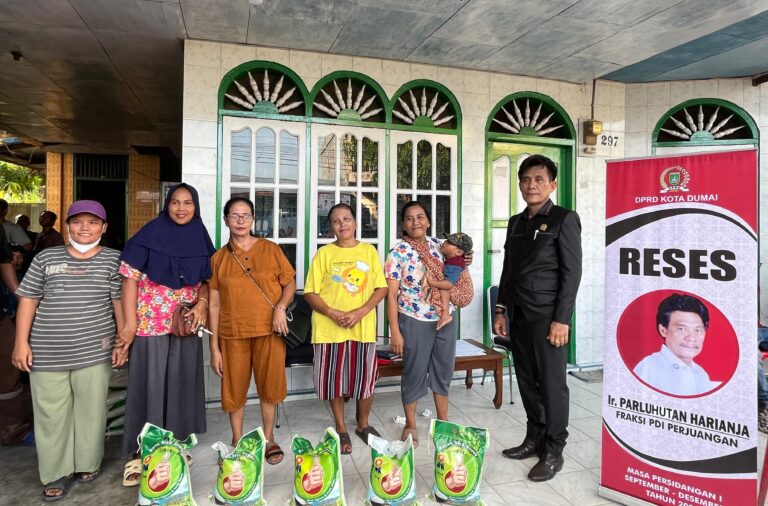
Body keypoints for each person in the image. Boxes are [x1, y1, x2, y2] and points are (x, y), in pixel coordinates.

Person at [11, 200, 124, 501]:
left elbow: (118, 303)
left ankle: (88, 463)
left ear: (104, 228)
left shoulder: (114, 260)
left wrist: (123, 342)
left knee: (91, 410)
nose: (84, 228)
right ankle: (55, 471)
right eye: (77, 221)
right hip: (47, 351)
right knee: (50, 415)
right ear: (67, 225)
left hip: (94, 350)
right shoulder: (46, 258)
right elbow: (28, 301)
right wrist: (21, 343)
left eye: (92, 222)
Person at [115, 183, 215, 487]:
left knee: (181, 383)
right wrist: (129, 324)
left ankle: (176, 446)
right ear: (166, 205)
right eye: (175, 202)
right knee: (150, 385)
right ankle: (141, 452)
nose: (181, 208)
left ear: (196, 207)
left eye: (187, 203)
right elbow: (129, 279)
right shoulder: (150, 234)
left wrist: (202, 304)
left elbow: (207, 281)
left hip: (184, 323)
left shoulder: (200, 236)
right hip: (149, 323)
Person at [494, 154, 582, 482]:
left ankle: (554, 449)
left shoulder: (563, 219)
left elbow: (572, 273)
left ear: (552, 185)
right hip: (518, 315)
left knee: (552, 385)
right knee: (528, 382)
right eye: (526, 179)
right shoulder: (517, 222)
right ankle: (535, 438)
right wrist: (501, 309)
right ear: (519, 184)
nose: (532, 185)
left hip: (548, 318)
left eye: (539, 179)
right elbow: (508, 270)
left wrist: (563, 319)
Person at [208, 197, 296, 463]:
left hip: (270, 330)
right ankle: (238, 441)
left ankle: (269, 439)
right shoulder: (219, 259)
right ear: (225, 220)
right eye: (234, 215)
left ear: (253, 219)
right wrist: (214, 348)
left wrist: (280, 308)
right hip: (232, 332)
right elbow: (213, 302)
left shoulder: (270, 249)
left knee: (270, 386)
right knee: (234, 389)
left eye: (245, 215)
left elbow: (289, 285)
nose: (240, 220)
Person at [304, 203, 388, 454]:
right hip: (329, 329)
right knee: (333, 381)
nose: (342, 224)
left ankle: (363, 425)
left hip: (362, 328)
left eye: (347, 219)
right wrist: (332, 313)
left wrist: (360, 312)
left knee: (365, 379)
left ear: (355, 223)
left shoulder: (369, 251)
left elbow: (381, 288)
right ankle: (341, 428)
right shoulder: (324, 254)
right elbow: (310, 292)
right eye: (336, 221)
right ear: (331, 227)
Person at [385, 201, 457, 448]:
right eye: (409, 218)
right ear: (403, 224)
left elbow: (460, 262)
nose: (415, 222)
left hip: (444, 318)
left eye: (420, 217)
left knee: (443, 369)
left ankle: (443, 423)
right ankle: (411, 424)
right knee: (414, 371)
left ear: (428, 221)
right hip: (413, 318)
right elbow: (391, 296)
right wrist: (395, 331)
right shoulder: (397, 253)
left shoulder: (441, 246)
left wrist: (465, 255)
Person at [633, 293, 719, 396]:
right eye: (681, 329)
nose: (691, 338)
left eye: (698, 330)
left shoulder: (701, 374)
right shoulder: (649, 367)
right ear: (663, 330)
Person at [425, 232, 473, 331]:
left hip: (463, 295)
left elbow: (448, 284)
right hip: (462, 291)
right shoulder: (455, 257)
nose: (445, 242)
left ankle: (445, 315)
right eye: (447, 240)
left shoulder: (454, 264)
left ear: (459, 252)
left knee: (443, 284)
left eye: (449, 243)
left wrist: (432, 283)